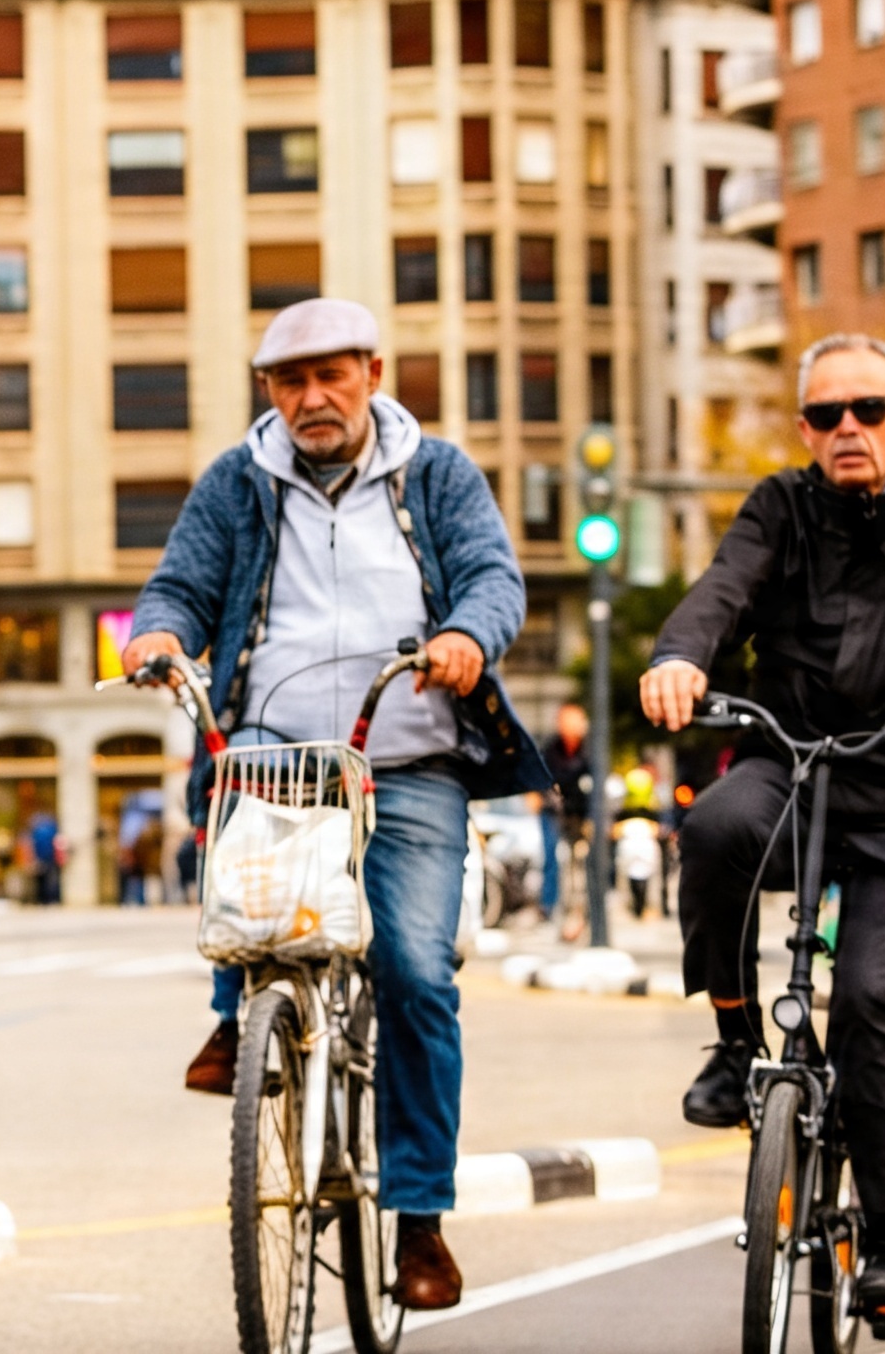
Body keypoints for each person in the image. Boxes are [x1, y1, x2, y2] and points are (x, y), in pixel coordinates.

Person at [124, 296, 549, 1310]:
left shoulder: (437, 471)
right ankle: (240, 1016)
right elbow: (180, 585)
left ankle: (419, 1220)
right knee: (245, 908)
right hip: (276, 745)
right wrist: (157, 636)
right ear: (268, 391)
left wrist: (466, 641)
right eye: (289, 382)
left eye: (331, 376)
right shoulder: (237, 480)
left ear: (372, 372)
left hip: (408, 755)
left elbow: (493, 577)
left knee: (412, 970)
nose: (312, 399)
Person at [640, 332, 885, 1340]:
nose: (846, 430)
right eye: (825, 416)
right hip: (792, 756)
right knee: (718, 825)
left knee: (866, 994)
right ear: (805, 428)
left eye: (867, 411)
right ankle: (733, 1043)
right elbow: (722, 589)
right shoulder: (780, 504)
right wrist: (681, 658)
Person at [537, 702, 589, 934]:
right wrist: (537, 796)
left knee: (586, 860)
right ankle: (548, 906)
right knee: (551, 857)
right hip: (553, 811)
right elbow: (538, 777)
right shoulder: (550, 750)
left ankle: (586, 907)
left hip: (580, 812)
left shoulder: (588, 752)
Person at [27, 811, 64, 905]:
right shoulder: (52, 829)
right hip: (51, 857)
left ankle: (42, 899)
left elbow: (33, 845)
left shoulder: (37, 831)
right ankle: (53, 899)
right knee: (52, 879)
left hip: (41, 858)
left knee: (41, 880)